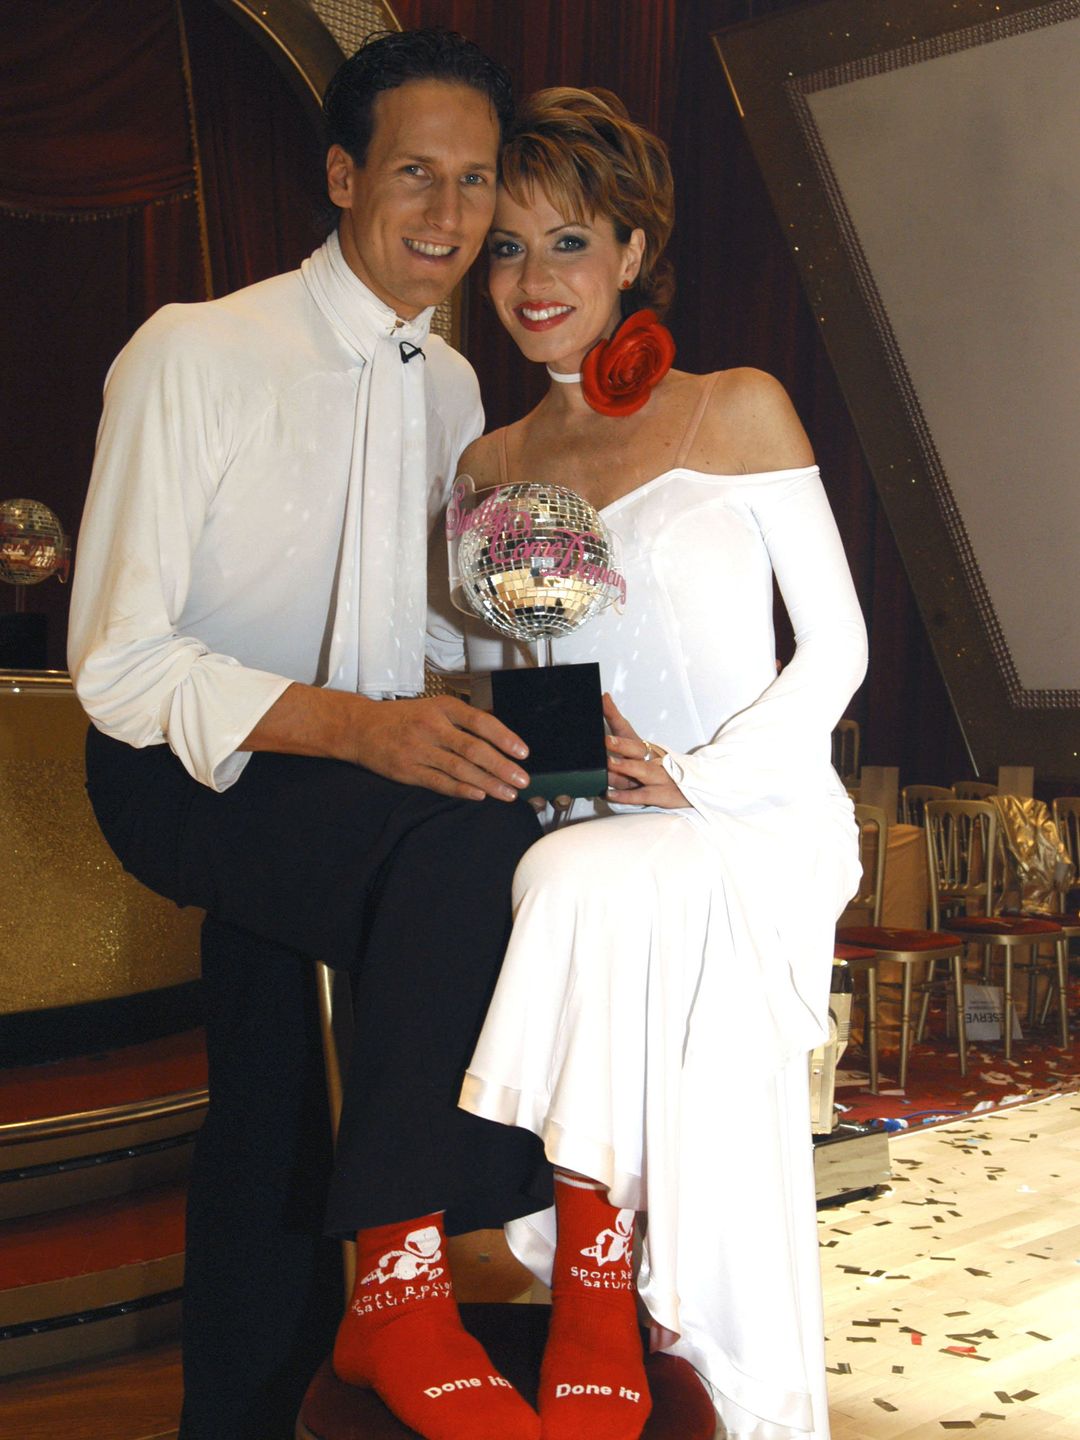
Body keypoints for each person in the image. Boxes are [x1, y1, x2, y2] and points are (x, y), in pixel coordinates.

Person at [67, 31, 556, 1440]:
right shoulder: (197, 351)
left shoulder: (459, 393)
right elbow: (119, 664)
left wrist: (578, 727)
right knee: (462, 844)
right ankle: (409, 1285)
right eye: (416, 173)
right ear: (343, 175)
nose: (451, 218)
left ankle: (242, 1411)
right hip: (187, 767)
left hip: (352, 788)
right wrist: (365, 732)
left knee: (273, 1094)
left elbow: (453, 650)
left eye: (475, 183)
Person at [428, 87, 868, 1440]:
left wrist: (703, 776)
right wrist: (541, 757)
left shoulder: (737, 407)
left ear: (631, 249)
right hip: (598, 822)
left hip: (750, 815)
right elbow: (523, 680)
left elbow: (835, 651)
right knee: (538, 866)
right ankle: (596, 1272)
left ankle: (604, 1278)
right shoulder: (493, 464)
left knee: (569, 882)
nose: (533, 280)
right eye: (505, 248)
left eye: (567, 243)